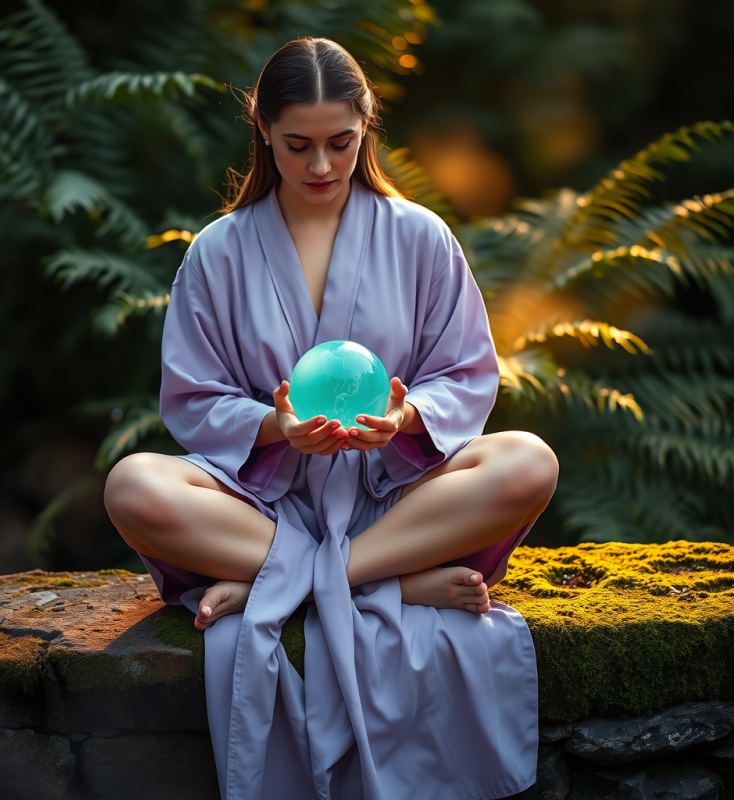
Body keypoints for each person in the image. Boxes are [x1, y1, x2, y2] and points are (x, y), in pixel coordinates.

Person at [104, 37, 558, 800]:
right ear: (263, 131)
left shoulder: (419, 236)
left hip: (395, 503)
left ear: (367, 125)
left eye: (341, 143)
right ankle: (394, 585)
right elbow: (192, 396)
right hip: (264, 509)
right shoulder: (217, 252)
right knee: (132, 485)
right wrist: (276, 428)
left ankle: (292, 585)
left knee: (530, 460)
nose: (321, 165)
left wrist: (406, 418)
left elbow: (467, 373)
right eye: (298, 145)